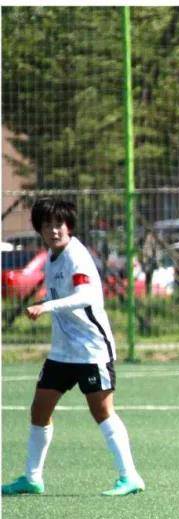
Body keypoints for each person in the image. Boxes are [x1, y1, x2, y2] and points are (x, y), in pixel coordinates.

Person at [2, 198, 145, 497]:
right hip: (62, 352)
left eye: (59, 224)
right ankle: (32, 478)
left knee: (102, 411)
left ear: (69, 226)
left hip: (92, 349)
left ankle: (130, 476)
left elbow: (88, 296)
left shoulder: (76, 256)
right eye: (47, 225)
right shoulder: (53, 257)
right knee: (39, 409)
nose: (54, 230)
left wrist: (47, 306)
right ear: (39, 230)